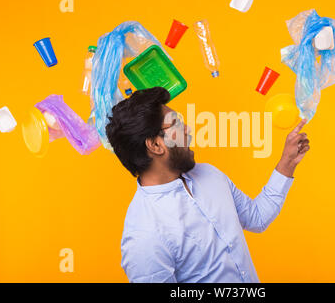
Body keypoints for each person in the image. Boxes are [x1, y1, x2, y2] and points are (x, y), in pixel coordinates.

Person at [106, 87, 310, 283]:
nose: (188, 129)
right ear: (156, 145)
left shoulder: (209, 174)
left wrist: (288, 162)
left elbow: (256, 218)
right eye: (176, 123)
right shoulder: (144, 235)